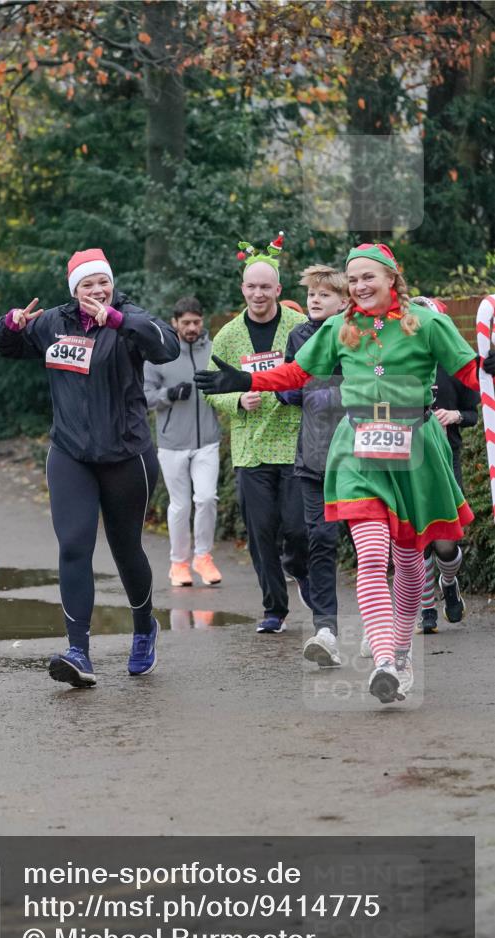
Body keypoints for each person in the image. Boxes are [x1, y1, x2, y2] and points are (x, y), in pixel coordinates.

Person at [196, 242, 495, 704]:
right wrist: (246, 380)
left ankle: (400, 652)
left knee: (410, 561)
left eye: (367, 277)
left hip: (414, 447)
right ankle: (382, 660)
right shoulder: (340, 326)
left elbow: (472, 376)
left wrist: (488, 369)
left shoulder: (429, 322)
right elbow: (297, 373)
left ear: (391, 278)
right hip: (357, 446)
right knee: (373, 555)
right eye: (352, 279)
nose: (358, 286)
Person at [0, 248, 179, 688]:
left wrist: (116, 319)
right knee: (74, 546)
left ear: (111, 284)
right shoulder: (55, 322)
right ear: (74, 291)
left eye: (102, 283)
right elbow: (7, 345)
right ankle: (79, 652)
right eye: (86, 285)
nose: (96, 291)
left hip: (126, 454)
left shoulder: (129, 318)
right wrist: (10, 324)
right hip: (70, 454)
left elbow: (166, 346)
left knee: (125, 547)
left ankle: (145, 627)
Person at [203, 234, 311, 634]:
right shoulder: (229, 336)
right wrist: (235, 402)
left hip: (295, 443)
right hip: (251, 450)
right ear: (243, 289)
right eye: (252, 286)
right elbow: (213, 391)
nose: (259, 293)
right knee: (262, 533)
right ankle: (274, 610)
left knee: (298, 529)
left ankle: (298, 568)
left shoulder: (300, 327)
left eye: (266, 286)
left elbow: (316, 375)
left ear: (279, 290)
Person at [276, 265, 349, 667]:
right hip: (314, 457)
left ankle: (388, 631)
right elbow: (289, 389)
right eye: (312, 294)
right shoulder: (299, 336)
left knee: (374, 548)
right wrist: (289, 389)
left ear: (345, 301)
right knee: (319, 540)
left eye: (324, 294)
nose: (315, 300)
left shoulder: (361, 336)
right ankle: (327, 632)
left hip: (361, 457)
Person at [412, 296, 480, 633]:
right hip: (406, 460)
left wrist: (454, 415)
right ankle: (425, 608)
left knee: (445, 542)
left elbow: (474, 411)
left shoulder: (455, 368)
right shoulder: (398, 364)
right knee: (415, 540)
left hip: (445, 458)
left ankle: (449, 583)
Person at [143, 296, 223, 587]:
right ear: (174, 322)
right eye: (186, 322)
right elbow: (144, 395)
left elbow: (226, 385)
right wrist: (169, 395)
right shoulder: (158, 353)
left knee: (206, 498)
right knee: (180, 506)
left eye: (196, 322)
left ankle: (203, 557)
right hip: (172, 442)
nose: (191, 327)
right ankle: (179, 564)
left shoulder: (213, 350)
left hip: (208, 440)